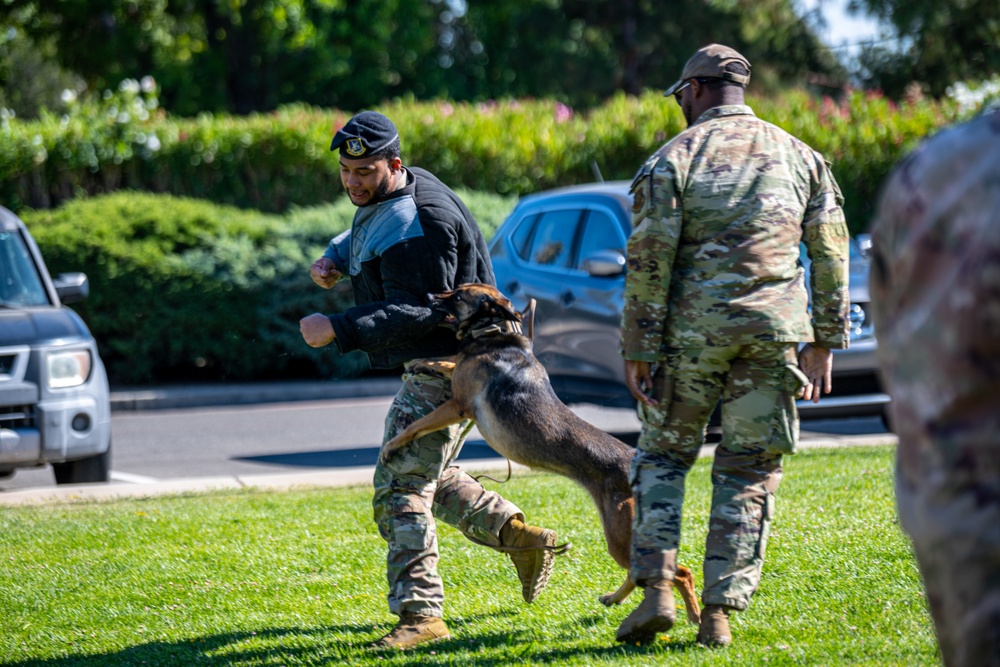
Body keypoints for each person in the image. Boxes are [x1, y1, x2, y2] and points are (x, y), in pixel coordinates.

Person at [299, 110, 561, 650]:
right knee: (431, 476)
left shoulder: (423, 222)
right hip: (451, 364)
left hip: (448, 368)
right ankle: (516, 535)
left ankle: (422, 616)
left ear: (393, 164)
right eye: (346, 171)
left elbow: (418, 309)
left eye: (364, 172)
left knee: (400, 483)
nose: (353, 182)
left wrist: (339, 328)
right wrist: (333, 258)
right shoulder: (399, 192)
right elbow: (367, 233)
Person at [617, 44, 850, 647]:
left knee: (664, 459)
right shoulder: (802, 156)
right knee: (748, 470)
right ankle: (718, 615)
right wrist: (824, 340)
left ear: (693, 90)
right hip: (774, 337)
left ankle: (659, 593)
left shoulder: (672, 159)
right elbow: (830, 252)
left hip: (689, 341)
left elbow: (649, 261)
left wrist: (638, 345)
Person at [868, 106, 1000, 667]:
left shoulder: (932, 169)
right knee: (750, 468)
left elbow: (897, 346)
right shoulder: (797, 156)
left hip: (965, 515)